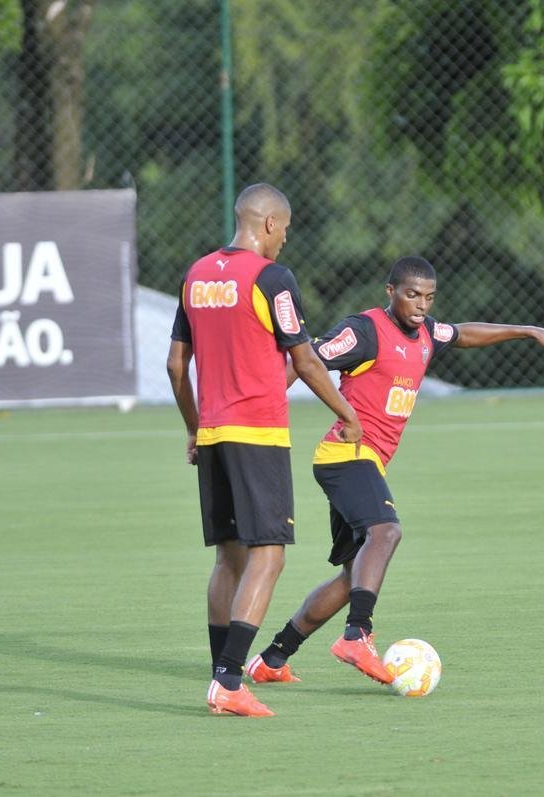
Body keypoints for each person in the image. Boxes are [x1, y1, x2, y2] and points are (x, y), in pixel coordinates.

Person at [246, 255, 544, 685]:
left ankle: (271, 659)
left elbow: (464, 333)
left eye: (429, 297)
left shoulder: (427, 333)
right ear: (391, 291)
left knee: (353, 577)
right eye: (412, 295)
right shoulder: (363, 331)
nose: (421, 305)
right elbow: (304, 360)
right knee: (386, 532)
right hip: (345, 456)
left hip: (362, 462)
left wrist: (529, 331)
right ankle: (357, 635)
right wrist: (266, 413)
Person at [166, 183, 362, 717]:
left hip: (213, 435)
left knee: (228, 557)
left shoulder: (196, 275)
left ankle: (220, 672)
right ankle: (230, 681)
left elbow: (176, 365)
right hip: (257, 434)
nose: (285, 241)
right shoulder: (272, 278)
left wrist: (194, 428)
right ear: (271, 224)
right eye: (286, 230)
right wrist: (347, 414)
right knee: (269, 555)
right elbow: (305, 360)